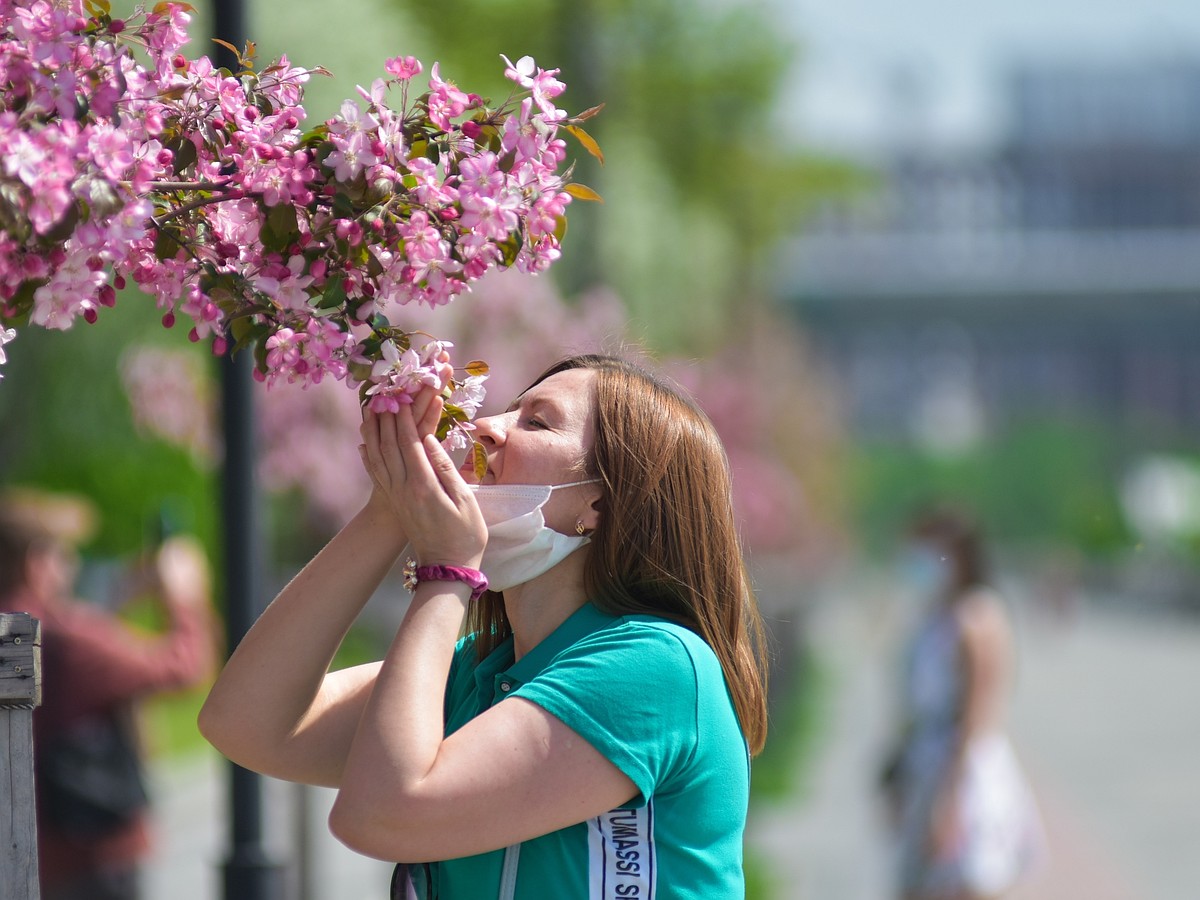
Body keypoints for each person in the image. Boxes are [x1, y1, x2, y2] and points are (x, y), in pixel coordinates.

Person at [199, 353, 769, 899]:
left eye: (537, 422)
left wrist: (445, 570)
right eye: (506, 409)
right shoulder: (482, 672)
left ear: (599, 505)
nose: (486, 428)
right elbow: (247, 724)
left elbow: (382, 816)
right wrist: (387, 513)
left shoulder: (655, 666)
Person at [0, 490, 216, 900]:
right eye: (63, 554)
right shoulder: (66, 637)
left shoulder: (17, 631)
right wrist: (183, 593)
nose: (70, 566)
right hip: (87, 852)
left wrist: (117, 604)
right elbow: (183, 666)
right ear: (35, 561)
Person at [880, 506, 1044, 900]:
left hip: (961, 765)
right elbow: (911, 700)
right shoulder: (935, 611)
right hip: (927, 756)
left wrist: (952, 796)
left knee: (965, 880)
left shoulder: (977, 615)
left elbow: (979, 712)